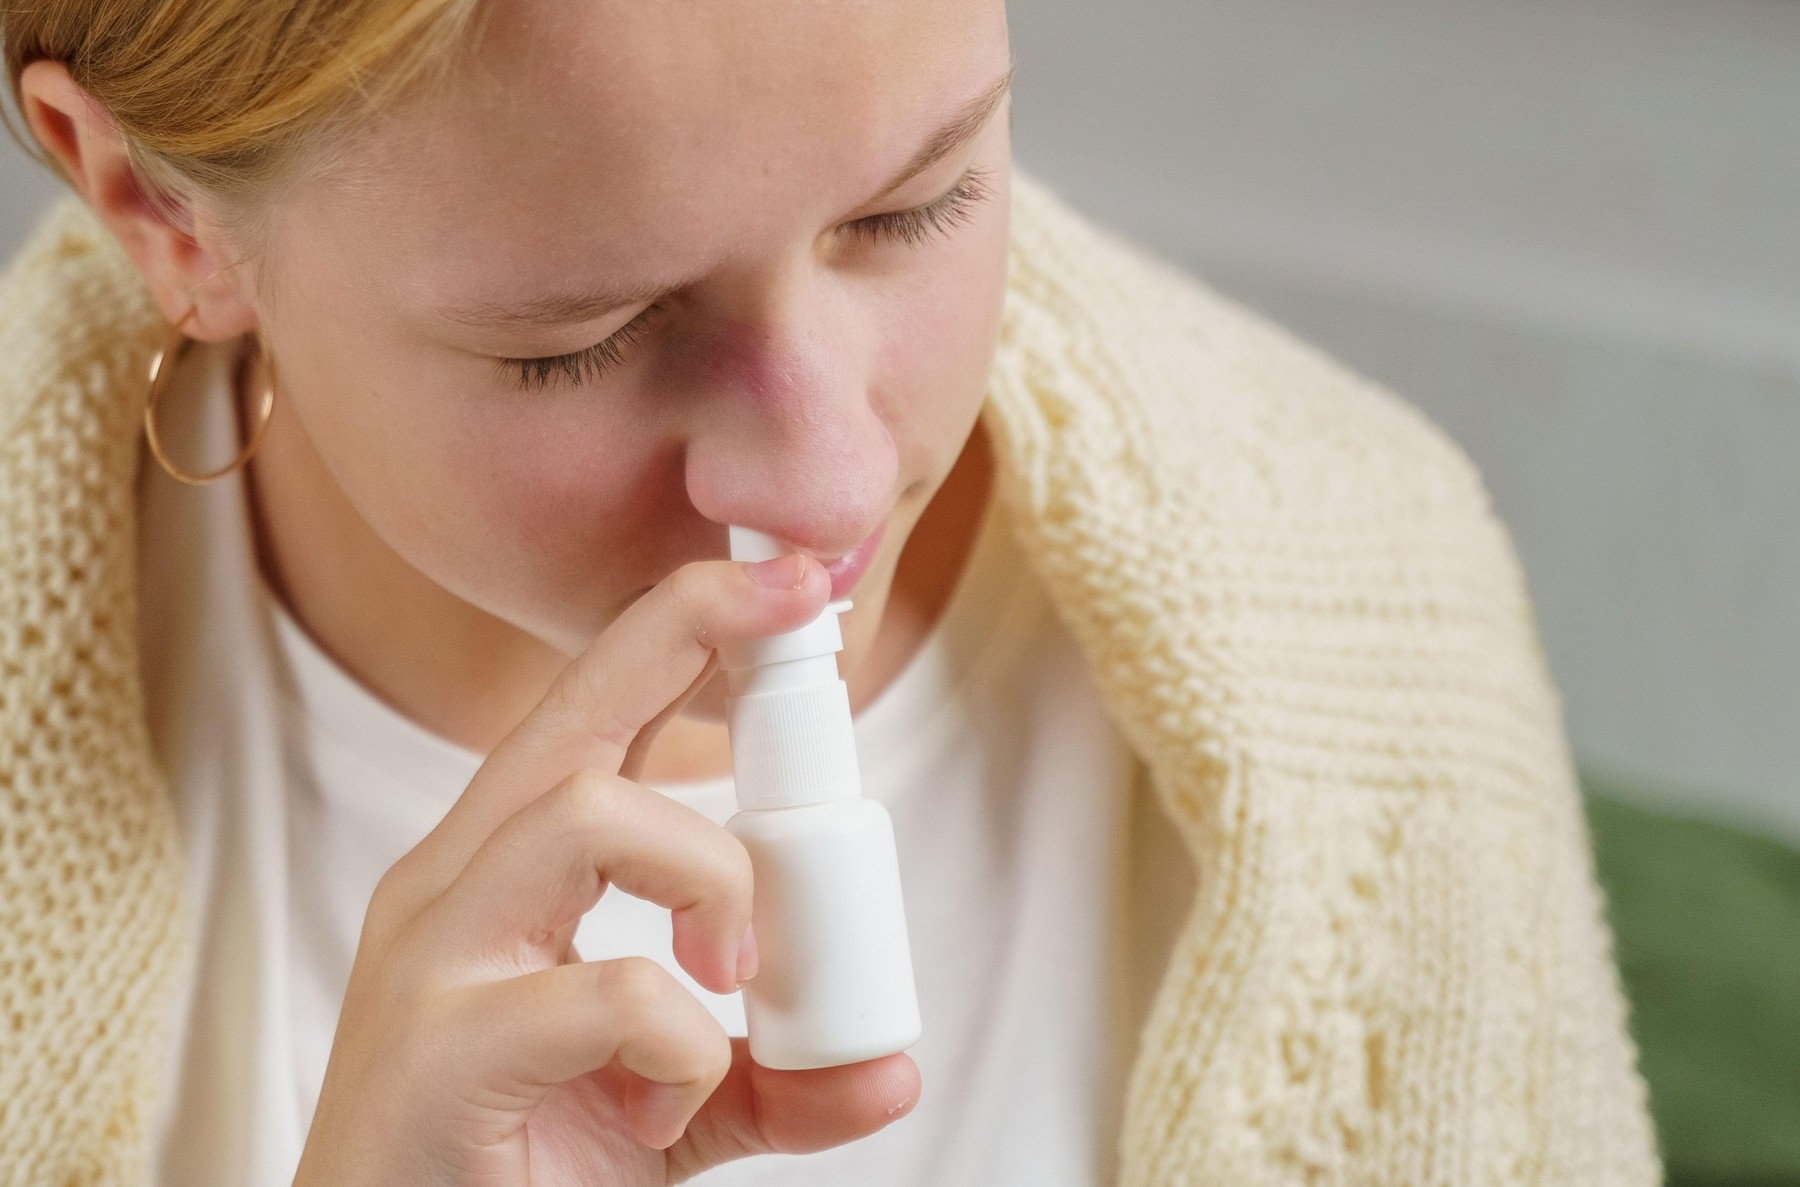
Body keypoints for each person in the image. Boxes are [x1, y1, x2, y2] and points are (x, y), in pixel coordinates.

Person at [0, 2, 1663, 1185]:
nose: (828, 488)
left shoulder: (1379, 607)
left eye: (917, 205)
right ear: (158, 209)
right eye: (583, 340)